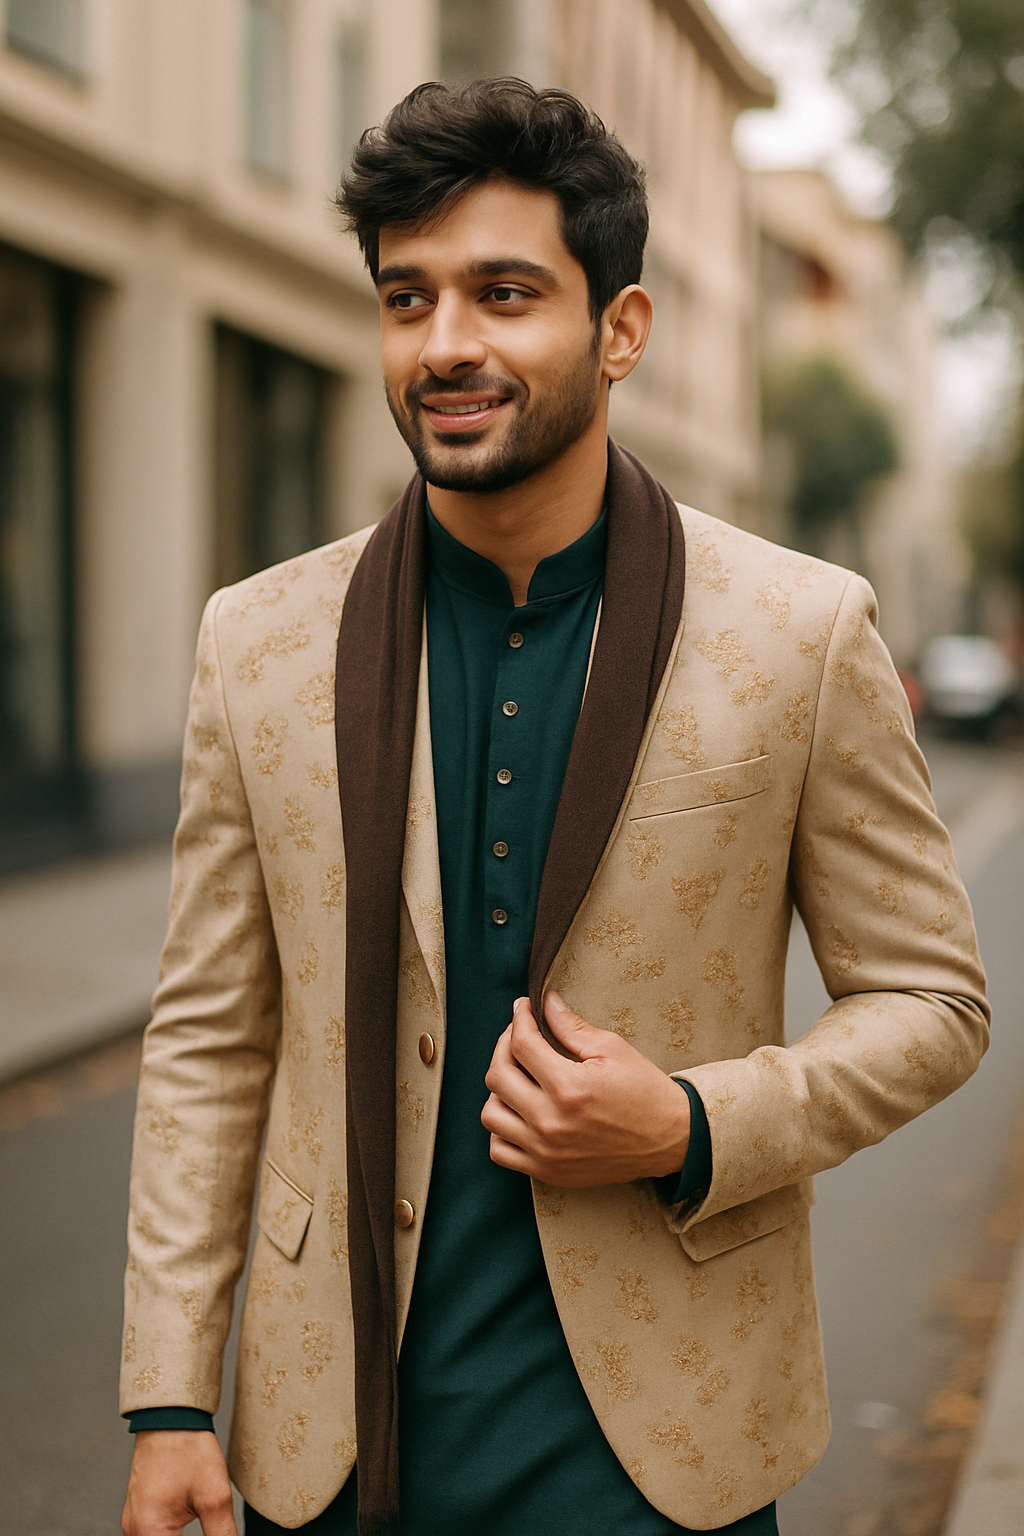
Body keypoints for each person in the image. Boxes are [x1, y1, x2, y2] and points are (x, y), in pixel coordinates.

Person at [119, 79, 989, 1536]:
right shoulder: (255, 643)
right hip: (328, 1441)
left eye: (504, 293)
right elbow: (212, 1035)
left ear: (620, 328)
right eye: (409, 298)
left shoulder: (802, 630)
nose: (445, 344)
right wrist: (164, 1402)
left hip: (660, 1452)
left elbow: (933, 1000)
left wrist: (694, 1123)